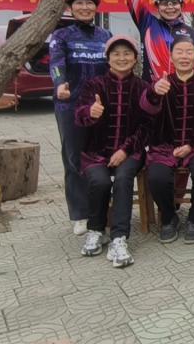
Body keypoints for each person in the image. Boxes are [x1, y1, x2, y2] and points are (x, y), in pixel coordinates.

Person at [75, 36, 148, 267]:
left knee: (124, 179)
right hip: (95, 151)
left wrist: (125, 150)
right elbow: (78, 115)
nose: (122, 58)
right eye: (116, 54)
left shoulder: (142, 88)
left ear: (135, 58)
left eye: (127, 53)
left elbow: (146, 127)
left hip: (131, 151)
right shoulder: (93, 85)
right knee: (100, 181)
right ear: (108, 59)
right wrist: (90, 112)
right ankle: (96, 230)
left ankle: (119, 237)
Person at [139, 37, 194, 245]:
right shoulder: (162, 84)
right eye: (179, 52)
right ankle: (168, 217)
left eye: (189, 52)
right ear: (171, 56)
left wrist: (190, 144)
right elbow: (147, 111)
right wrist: (154, 93)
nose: (184, 57)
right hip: (164, 146)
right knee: (156, 176)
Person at [50, 0, 111, 236]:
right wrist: (59, 83)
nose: (85, 7)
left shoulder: (105, 36)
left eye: (89, 3)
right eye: (79, 3)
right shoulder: (61, 36)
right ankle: (80, 213)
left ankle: (102, 208)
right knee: (74, 159)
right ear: (70, 8)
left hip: (99, 106)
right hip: (70, 105)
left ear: (96, 8)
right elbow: (56, 63)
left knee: (100, 157)